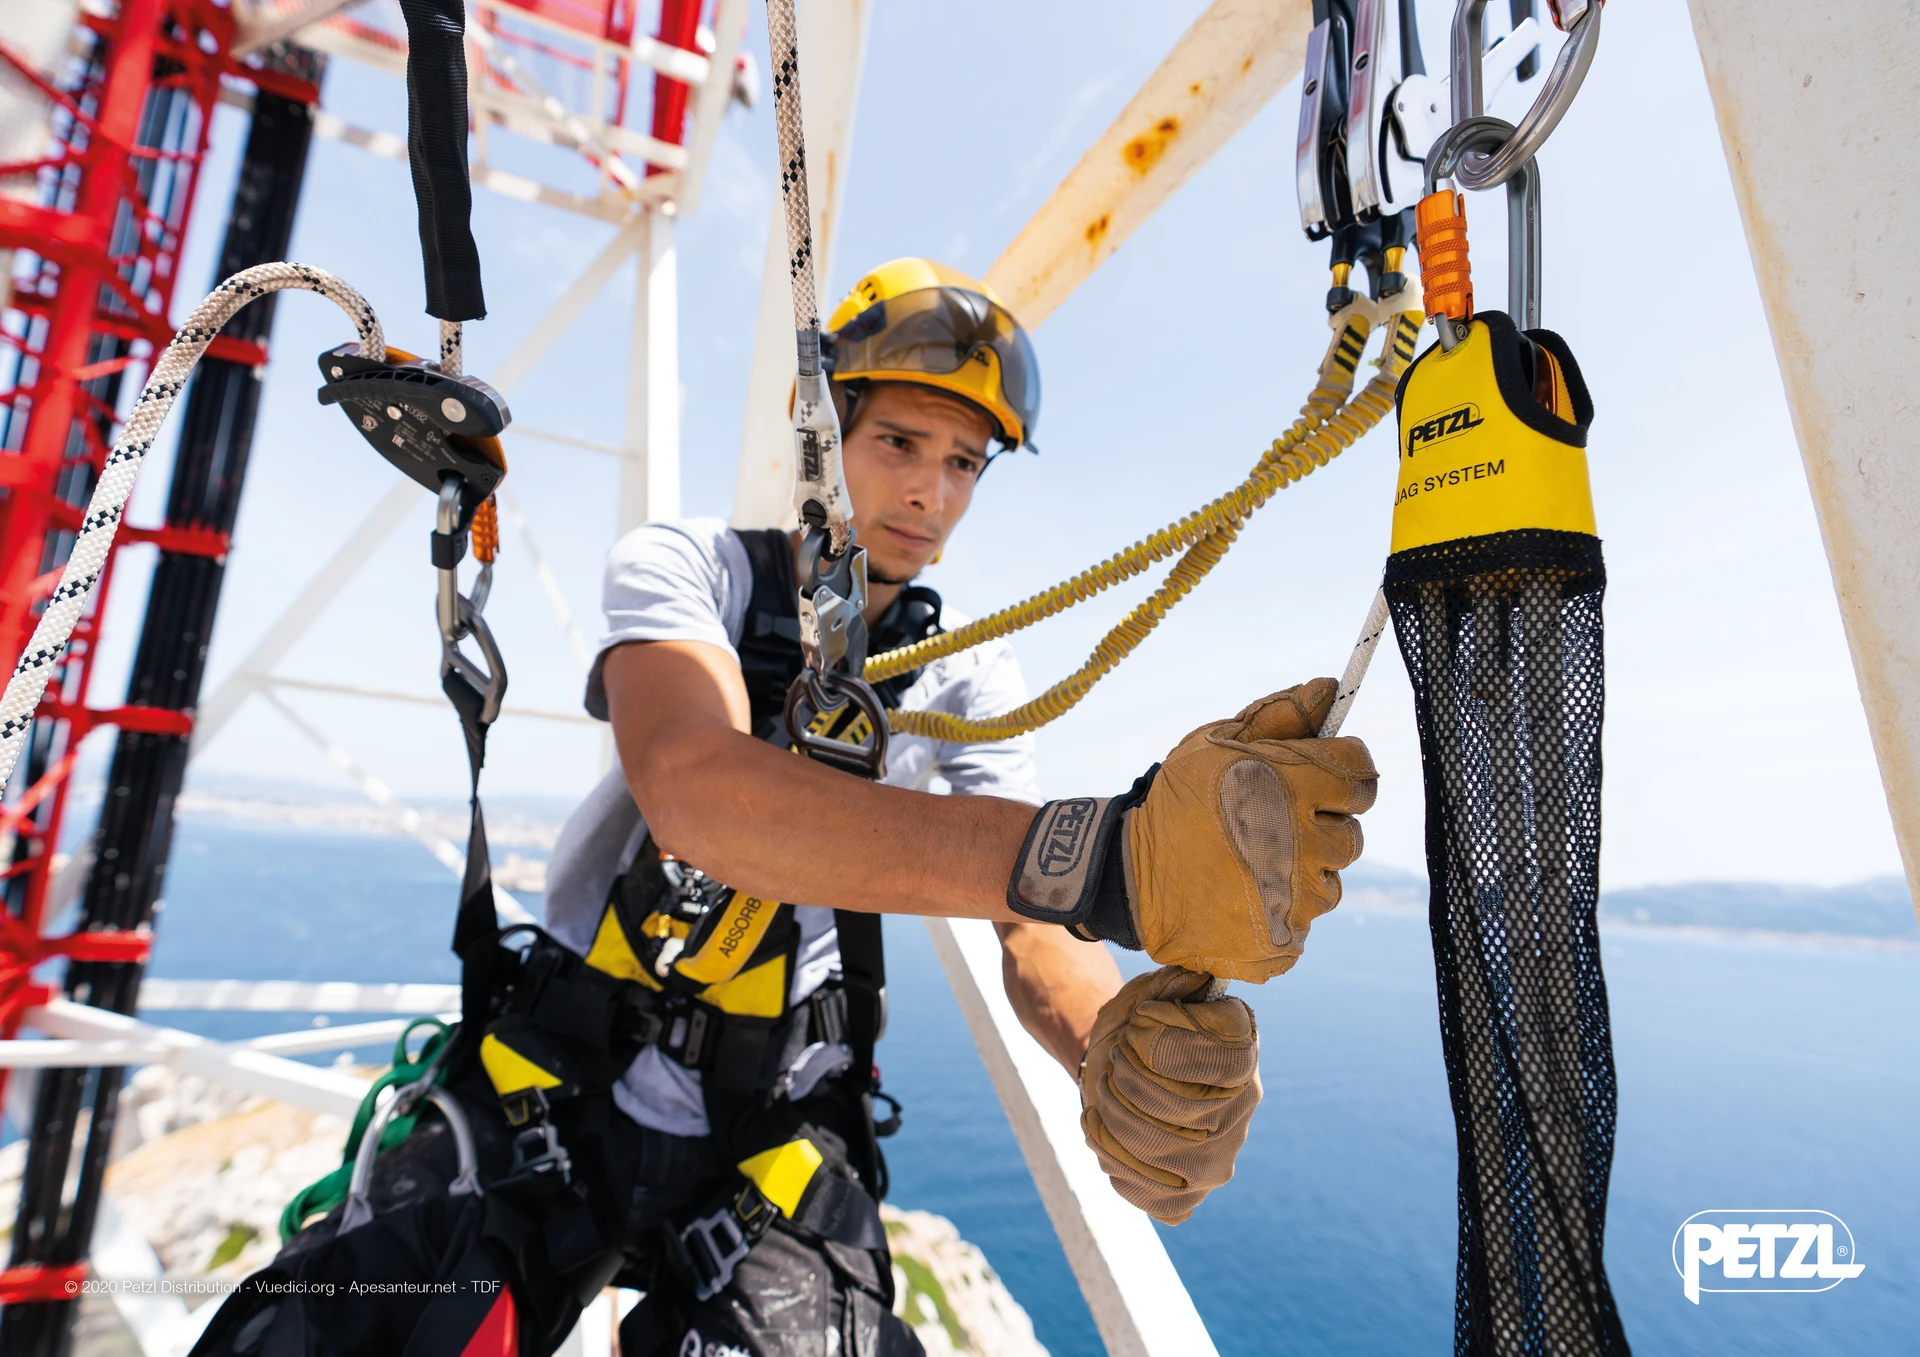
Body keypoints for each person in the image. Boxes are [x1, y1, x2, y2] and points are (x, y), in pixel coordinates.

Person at [189, 259, 1379, 1357]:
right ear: (827, 435)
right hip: (564, 1077)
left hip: (774, 1125)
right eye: (903, 440)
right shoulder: (693, 566)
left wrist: (1105, 1046)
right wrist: (1107, 858)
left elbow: (1036, 930)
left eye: (965, 461)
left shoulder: (963, 672)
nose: (931, 489)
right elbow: (696, 787)